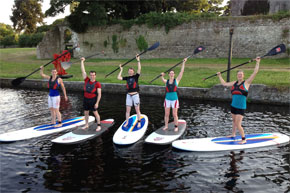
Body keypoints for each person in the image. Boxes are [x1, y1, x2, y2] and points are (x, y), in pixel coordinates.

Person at [216, 57, 261, 144]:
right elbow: (224, 84)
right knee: (234, 121)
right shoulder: (234, 83)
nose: (239, 75)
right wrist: (219, 76)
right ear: (237, 76)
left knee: (238, 124)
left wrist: (257, 62)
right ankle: (233, 134)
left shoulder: (246, 83)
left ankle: (244, 139)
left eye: (241, 74)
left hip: (241, 107)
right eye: (238, 74)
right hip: (233, 105)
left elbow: (255, 72)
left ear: (243, 75)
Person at [160, 58, 187, 132]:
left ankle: (176, 126)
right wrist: (161, 75)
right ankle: (166, 126)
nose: (171, 74)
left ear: (174, 74)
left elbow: (182, 72)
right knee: (166, 114)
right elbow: (162, 78)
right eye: (170, 73)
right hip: (167, 99)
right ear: (169, 74)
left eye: (172, 73)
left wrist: (183, 63)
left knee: (174, 114)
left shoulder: (177, 80)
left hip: (174, 100)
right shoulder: (166, 81)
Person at [117, 55, 142, 128]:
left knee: (137, 110)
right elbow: (118, 77)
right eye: (129, 71)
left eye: (131, 71)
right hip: (128, 95)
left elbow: (139, 69)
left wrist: (138, 60)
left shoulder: (135, 77)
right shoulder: (127, 78)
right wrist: (121, 69)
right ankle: (127, 122)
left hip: (135, 95)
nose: (130, 72)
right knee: (127, 110)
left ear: (133, 72)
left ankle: (139, 122)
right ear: (128, 72)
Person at [80, 57, 102, 131]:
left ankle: (99, 125)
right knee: (86, 113)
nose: (92, 76)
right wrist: (82, 62)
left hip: (93, 100)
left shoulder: (97, 84)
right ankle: (86, 124)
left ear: (95, 75)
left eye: (93, 75)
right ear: (89, 75)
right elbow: (83, 71)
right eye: (91, 75)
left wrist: (97, 103)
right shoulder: (86, 80)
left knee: (95, 113)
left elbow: (99, 94)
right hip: (86, 99)